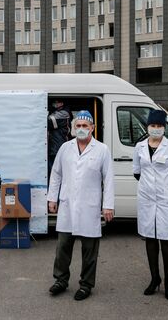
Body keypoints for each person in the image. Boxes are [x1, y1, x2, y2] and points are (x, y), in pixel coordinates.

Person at [47, 110, 115, 301]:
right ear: (73, 128)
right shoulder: (65, 148)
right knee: (62, 247)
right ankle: (60, 280)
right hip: (67, 205)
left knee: (89, 250)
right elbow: (56, 174)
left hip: (89, 207)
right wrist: (52, 198)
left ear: (92, 128)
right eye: (78, 126)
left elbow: (108, 179)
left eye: (86, 126)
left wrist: (108, 205)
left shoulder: (102, 149)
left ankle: (86, 284)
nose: (82, 129)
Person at [132, 110, 168, 300]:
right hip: (147, 199)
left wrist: (166, 189)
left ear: (164, 128)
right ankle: (155, 279)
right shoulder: (139, 146)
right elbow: (137, 172)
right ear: (147, 127)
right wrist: (150, 188)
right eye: (153, 126)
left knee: (167, 240)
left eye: (159, 126)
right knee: (150, 238)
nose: (156, 129)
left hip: (166, 199)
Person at [47, 99, 72, 177]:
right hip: (54, 147)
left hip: (58, 147)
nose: (55, 103)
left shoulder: (64, 113)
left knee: (56, 173)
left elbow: (48, 122)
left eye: (57, 102)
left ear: (62, 103)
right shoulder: (57, 111)